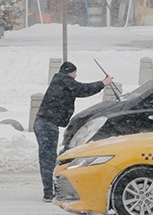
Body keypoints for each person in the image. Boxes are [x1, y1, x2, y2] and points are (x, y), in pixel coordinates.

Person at [34, 61, 113, 201]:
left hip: (46, 124)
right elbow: (82, 89)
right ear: (70, 72)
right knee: (48, 159)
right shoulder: (64, 80)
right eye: (75, 73)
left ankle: (51, 189)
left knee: (49, 158)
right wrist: (103, 83)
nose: (75, 76)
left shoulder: (60, 80)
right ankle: (48, 193)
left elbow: (78, 88)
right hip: (46, 125)